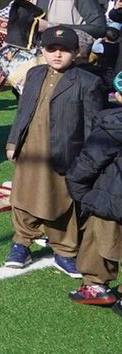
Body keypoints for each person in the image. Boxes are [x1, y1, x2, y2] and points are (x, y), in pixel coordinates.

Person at [4, 26, 107, 274]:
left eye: (64, 50)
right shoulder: (34, 74)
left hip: (66, 152)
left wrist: (89, 161)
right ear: (43, 51)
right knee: (23, 196)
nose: (57, 55)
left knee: (61, 201)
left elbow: (94, 125)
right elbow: (23, 112)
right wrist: (12, 143)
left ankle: (64, 250)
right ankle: (21, 243)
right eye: (52, 49)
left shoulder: (88, 82)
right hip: (30, 148)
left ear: (76, 52)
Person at [65, 98, 122, 307]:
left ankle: (94, 285)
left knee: (96, 240)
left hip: (111, 196)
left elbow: (89, 161)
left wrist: (80, 191)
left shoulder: (114, 123)